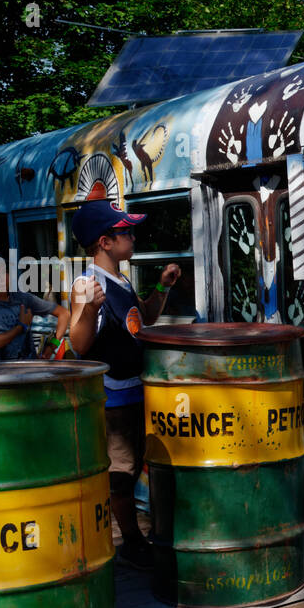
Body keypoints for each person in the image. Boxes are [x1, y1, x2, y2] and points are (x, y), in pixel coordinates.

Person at [68, 199, 181, 570]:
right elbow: (79, 344)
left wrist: (162, 289)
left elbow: (142, 319)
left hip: (135, 388)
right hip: (114, 395)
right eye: (125, 232)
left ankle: (138, 537)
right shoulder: (87, 284)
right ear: (104, 242)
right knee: (121, 472)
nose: (132, 237)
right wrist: (88, 309)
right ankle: (132, 541)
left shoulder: (120, 278)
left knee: (136, 466)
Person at [0, 248, 70, 360]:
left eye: (4, 270)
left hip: (29, 373)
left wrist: (52, 346)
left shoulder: (23, 298)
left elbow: (64, 313)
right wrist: (21, 327)